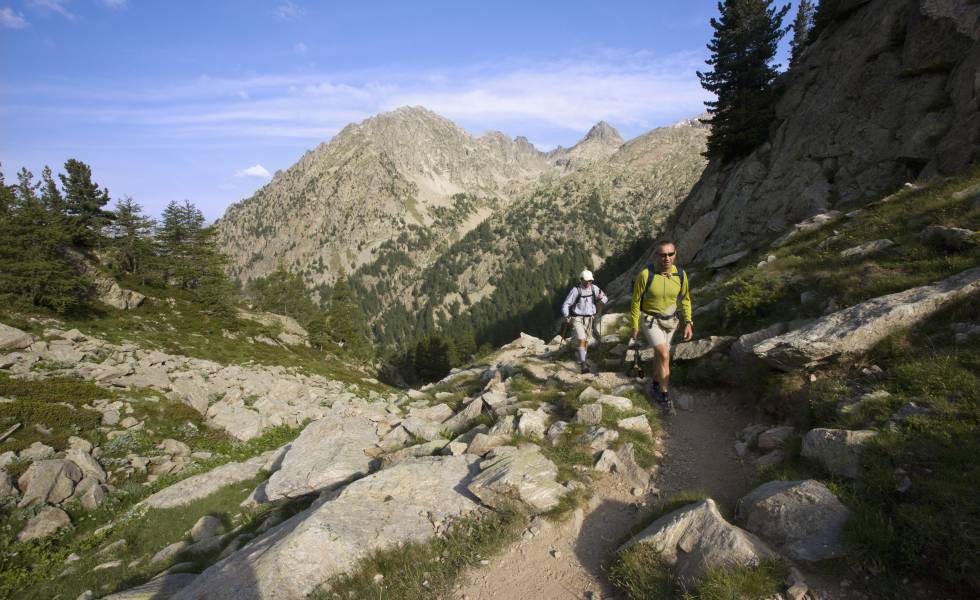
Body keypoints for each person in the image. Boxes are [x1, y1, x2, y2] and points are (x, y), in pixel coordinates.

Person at [630, 241, 693, 414]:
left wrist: (688, 322)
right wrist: (635, 324)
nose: (667, 258)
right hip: (651, 320)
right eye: (662, 254)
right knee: (664, 354)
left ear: (675, 255)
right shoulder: (646, 274)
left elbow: (685, 298)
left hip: (671, 322)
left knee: (660, 356)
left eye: (670, 254)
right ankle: (665, 397)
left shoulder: (680, 275)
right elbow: (635, 301)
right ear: (655, 256)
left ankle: (656, 385)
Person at [561, 269, 608, 374]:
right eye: (586, 281)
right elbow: (566, 304)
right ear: (581, 280)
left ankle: (583, 359)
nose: (588, 283)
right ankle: (583, 364)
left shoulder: (594, 288)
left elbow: (605, 298)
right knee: (582, 339)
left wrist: (601, 300)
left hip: (590, 318)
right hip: (577, 318)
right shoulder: (576, 290)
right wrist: (566, 315)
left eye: (590, 281)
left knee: (586, 341)